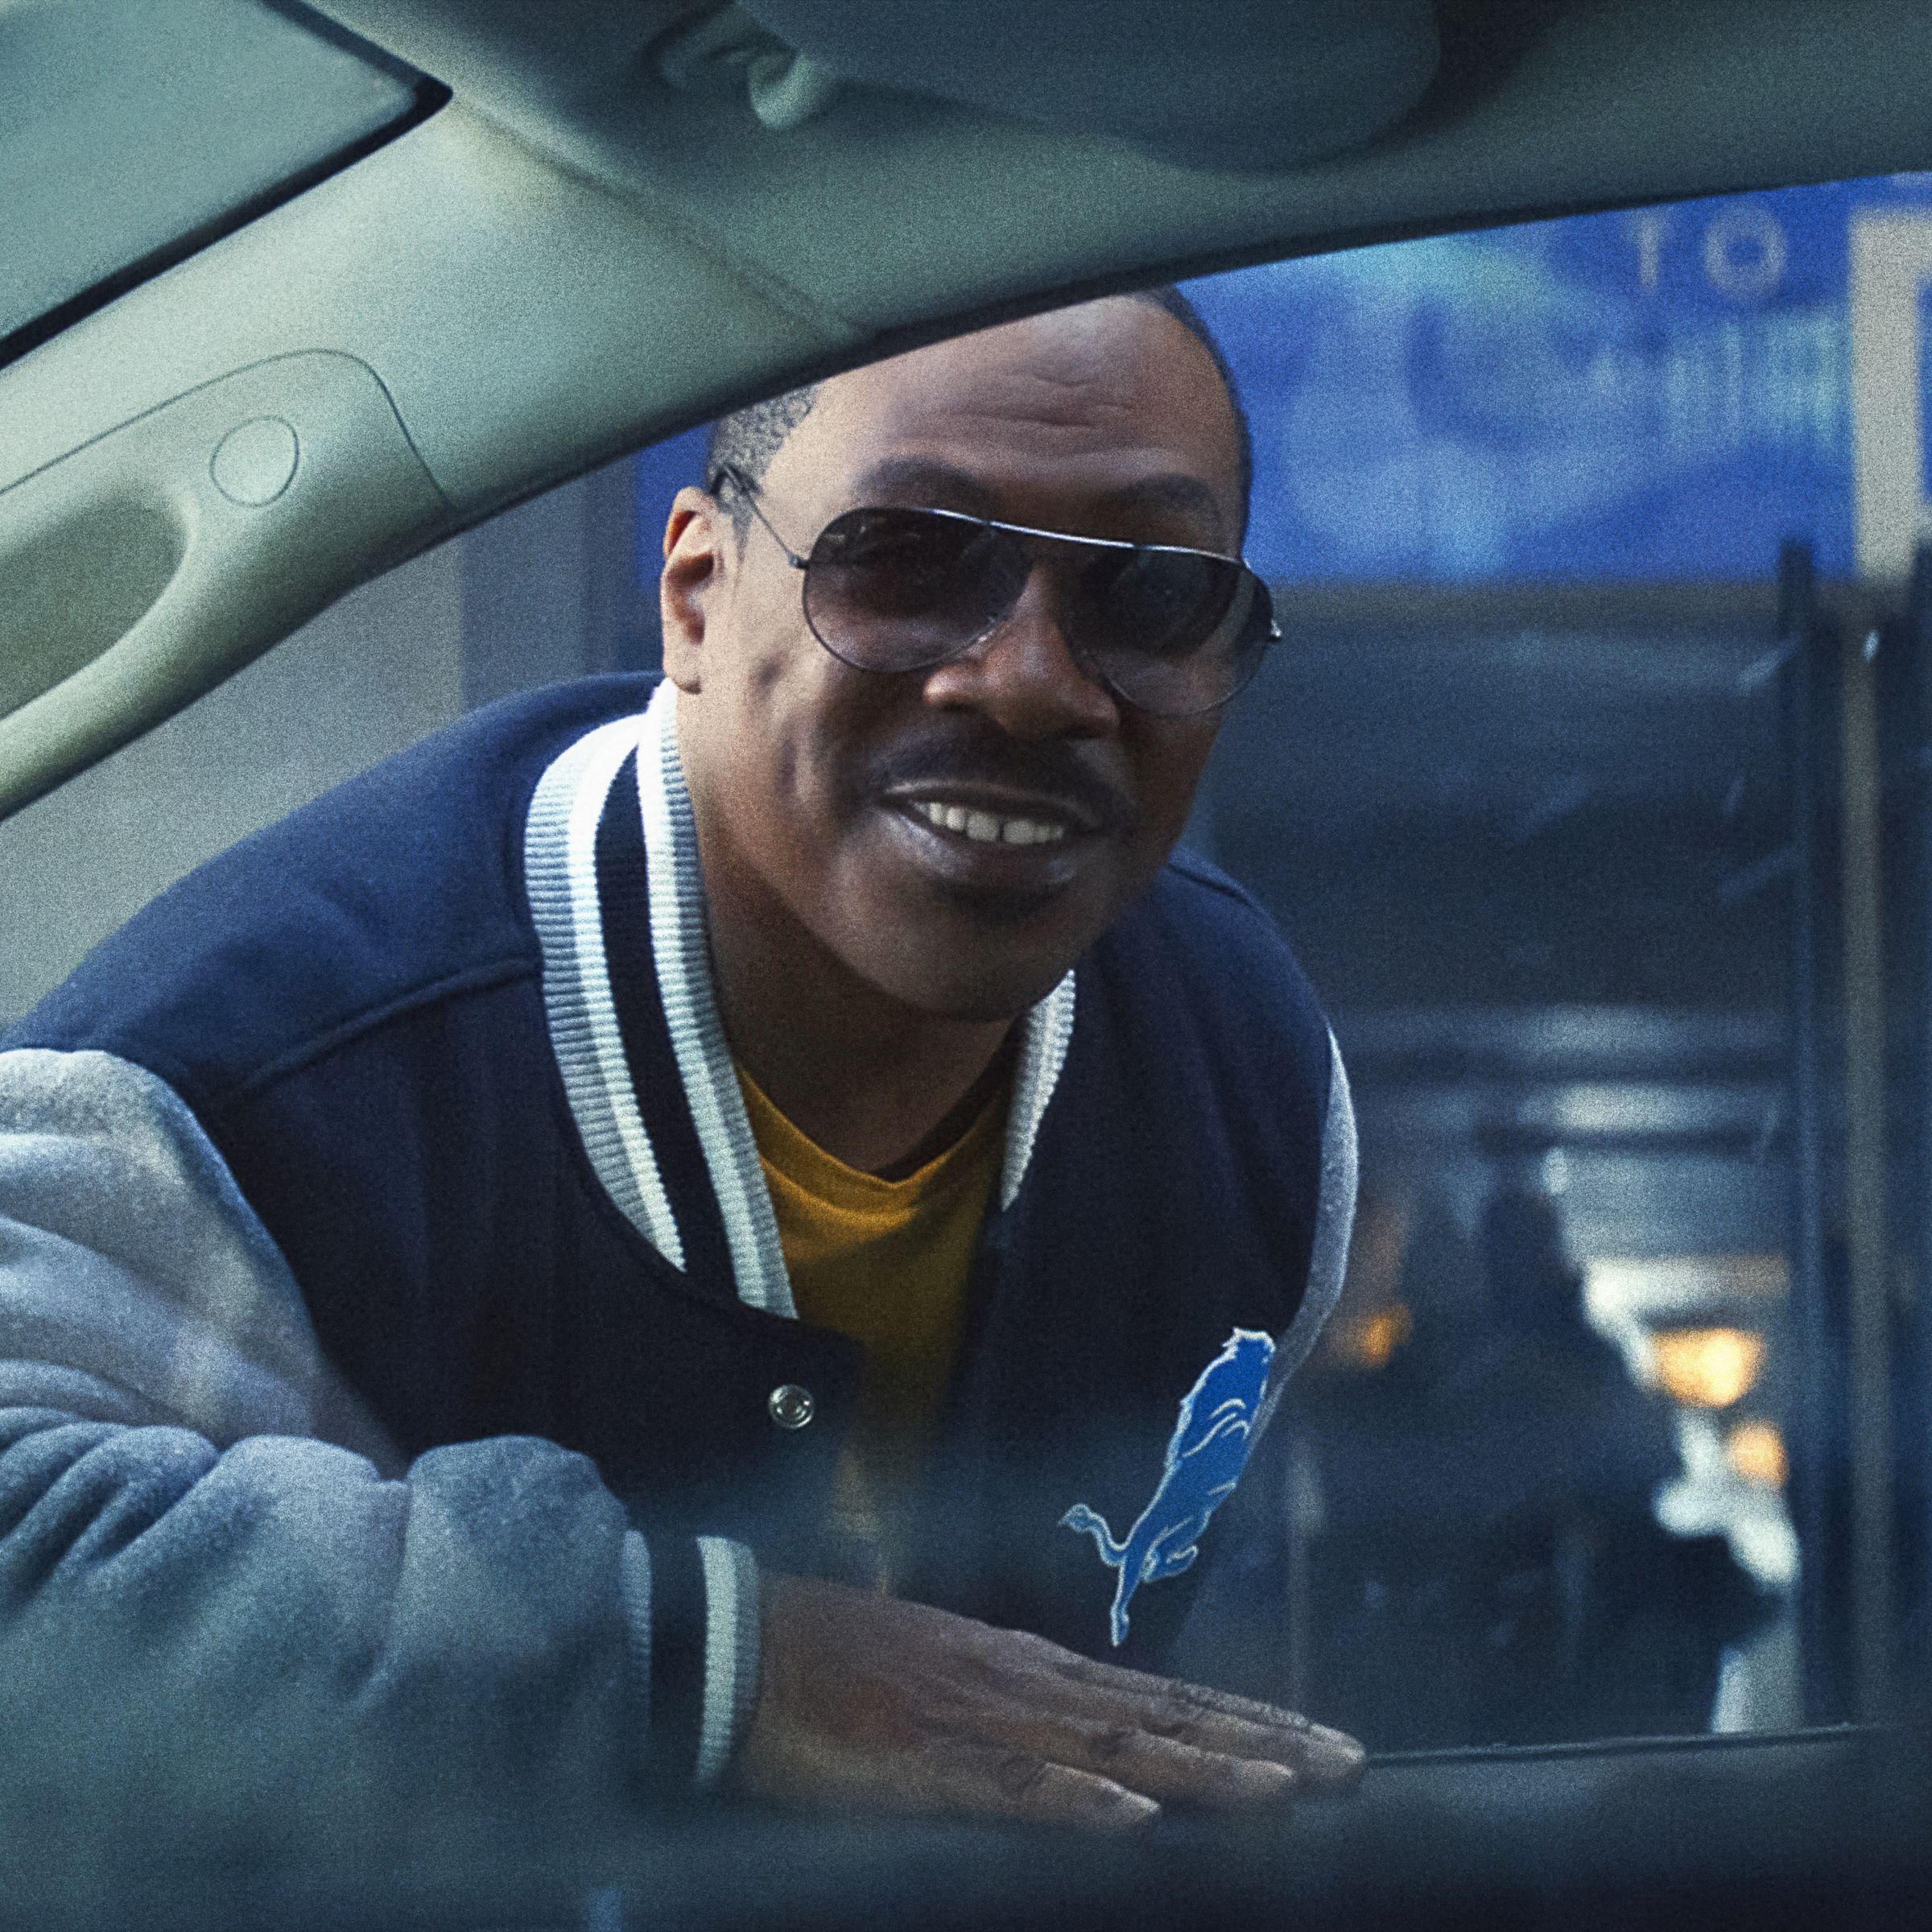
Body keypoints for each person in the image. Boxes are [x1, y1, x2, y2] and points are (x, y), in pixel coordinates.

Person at [0, 290, 1360, 1857]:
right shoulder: (259, 1073)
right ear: (697, 596)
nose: (1034, 680)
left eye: (1152, 595)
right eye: (912, 559)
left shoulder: (1250, 1084)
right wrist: (704, 1664)